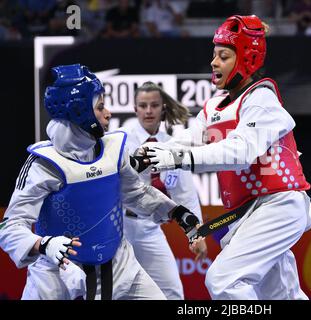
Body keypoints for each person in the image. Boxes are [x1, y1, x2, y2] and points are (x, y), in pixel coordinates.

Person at [139, 15, 311, 300]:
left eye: (223, 56)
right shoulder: (213, 106)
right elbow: (187, 140)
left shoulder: (262, 100)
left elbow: (240, 152)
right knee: (282, 296)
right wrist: (149, 153)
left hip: (278, 206)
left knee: (223, 281)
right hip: (248, 212)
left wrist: (175, 157)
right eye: (214, 55)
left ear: (246, 58)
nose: (214, 62)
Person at [0, 64, 200, 300]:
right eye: (100, 107)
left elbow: (136, 194)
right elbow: (10, 228)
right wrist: (44, 244)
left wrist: (175, 212)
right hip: (56, 276)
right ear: (79, 111)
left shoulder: (115, 150)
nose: (108, 114)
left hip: (120, 268)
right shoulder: (43, 164)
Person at [122, 81, 207, 300]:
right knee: (116, 291)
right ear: (135, 109)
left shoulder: (172, 145)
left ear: (163, 108)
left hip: (149, 228)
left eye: (154, 105)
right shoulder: (121, 141)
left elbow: (185, 193)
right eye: (143, 105)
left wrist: (196, 233)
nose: (148, 111)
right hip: (119, 227)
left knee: (172, 293)